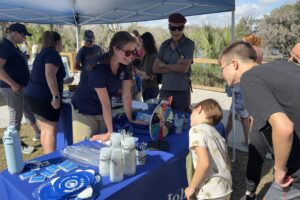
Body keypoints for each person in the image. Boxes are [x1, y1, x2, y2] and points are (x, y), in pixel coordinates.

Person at [219, 41, 300, 200]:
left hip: (294, 175)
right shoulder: (284, 67)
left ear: (234, 64)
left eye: (221, 68)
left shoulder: (249, 79)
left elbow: (284, 128)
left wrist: (279, 169)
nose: (221, 74)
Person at [72, 31, 145, 143]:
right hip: (85, 113)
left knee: (103, 148)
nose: (131, 56)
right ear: (115, 49)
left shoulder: (124, 65)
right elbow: (105, 103)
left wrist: (130, 119)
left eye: (133, 52)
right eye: (128, 52)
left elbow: (126, 95)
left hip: (103, 113)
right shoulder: (98, 67)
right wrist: (111, 132)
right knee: (84, 148)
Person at [0, 23, 40, 154]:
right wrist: (13, 84)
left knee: (28, 110)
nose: (24, 38)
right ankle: (16, 146)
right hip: (12, 88)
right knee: (15, 116)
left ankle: (38, 132)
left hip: (21, 87)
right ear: (14, 33)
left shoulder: (12, 46)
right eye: (23, 35)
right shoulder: (4, 46)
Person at [25, 31, 66, 154]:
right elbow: (49, 74)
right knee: (51, 129)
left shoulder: (42, 53)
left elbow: (47, 75)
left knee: (45, 128)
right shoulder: (52, 53)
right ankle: (51, 161)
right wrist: (56, 96)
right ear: (58, 42)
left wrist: (64, 81)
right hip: (44, 98)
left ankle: (46, 157)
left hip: (33, 96)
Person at [185, 98, 232, 200]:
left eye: (192, 113)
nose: (190, 117)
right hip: (225, 188)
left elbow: (204, 163)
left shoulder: (196, 130)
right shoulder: (217, 134)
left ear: (199, 109)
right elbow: (228, 163)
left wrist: (191, 187)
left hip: (209, 191)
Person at [153, 12, 195, 113]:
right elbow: (155, 68)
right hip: (165, 90)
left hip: (182, 91)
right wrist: (177, 66)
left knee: (181, 121)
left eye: (180, 28)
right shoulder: (164, 45)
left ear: (183, 27)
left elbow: (184, 69)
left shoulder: (189, 44)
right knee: (162, 121)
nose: (176, 31)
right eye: (173, 28)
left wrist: (165, 65)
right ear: (169, 27)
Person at [139, 32, 159, 102]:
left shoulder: (154, 56)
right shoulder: (146, 55)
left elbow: (150, 76)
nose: (141, 44)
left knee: (150, 110)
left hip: (151, 89)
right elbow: (141, 70)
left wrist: (139, 73)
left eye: (142, 42)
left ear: (146, 42)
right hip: (145, 88)